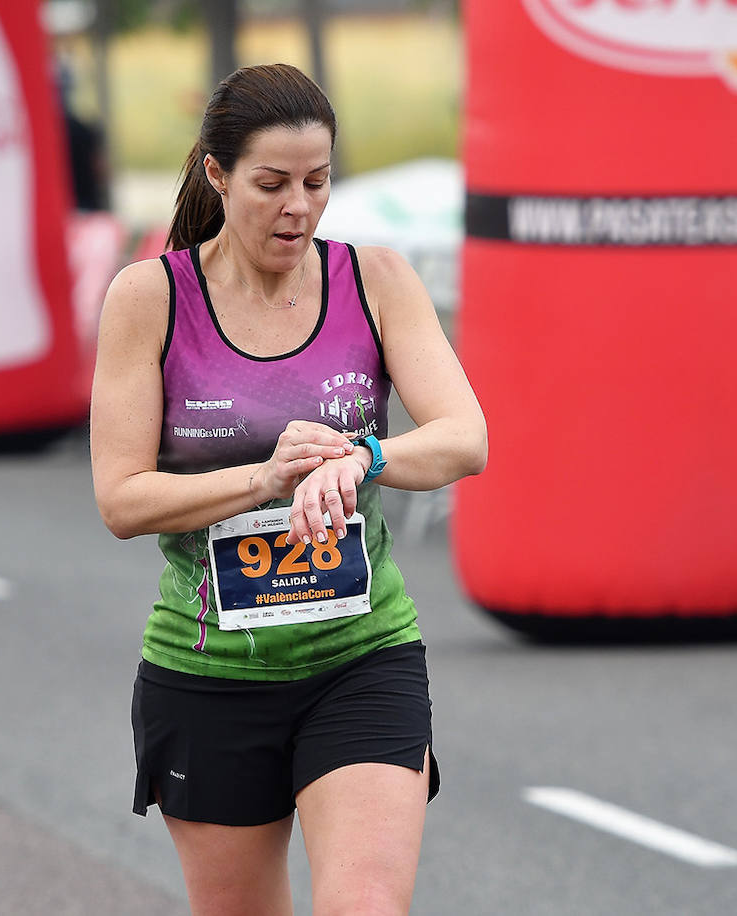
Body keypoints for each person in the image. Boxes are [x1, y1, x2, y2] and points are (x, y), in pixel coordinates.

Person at [90, 64, 487, 915]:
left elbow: (465, 438)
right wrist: (264, 478)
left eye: (317, 182)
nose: (298, 208)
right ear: (218, 174)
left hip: (361, 656)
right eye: (271, 185)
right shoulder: (151, 298)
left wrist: (365, 457)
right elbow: (121, 499)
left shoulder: (373, 281)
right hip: (209, 672)